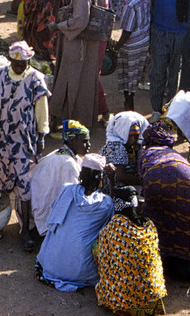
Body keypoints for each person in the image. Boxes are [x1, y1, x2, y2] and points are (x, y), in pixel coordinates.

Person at [0, 41, 51, 250]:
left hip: (23, 140)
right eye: (15, 63)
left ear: (29, 61)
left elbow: (41, 113)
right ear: (10, 60)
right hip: (0, 137)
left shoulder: (36, 80)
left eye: (23, 63)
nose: (19, 66)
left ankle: (25, 230)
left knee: (24, 184)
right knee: (2, 181)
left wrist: (41, 138)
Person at [35, 154, 114, 291]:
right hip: (80, 272)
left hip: (51, 266)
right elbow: (109, 222)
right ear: (100, 178)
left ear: (81, 173)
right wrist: (112, 181)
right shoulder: (105, 203)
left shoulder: (66, 190)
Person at [138, 120, 190, 280]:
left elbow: (141, 178)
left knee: (158, 219)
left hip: (155, 178)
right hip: (184, 175)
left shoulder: (146, 153)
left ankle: (159, 262)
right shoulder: (175, 154)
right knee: (188, 220)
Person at [51, 0, 109, 125]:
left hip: (80, 43)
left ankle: (73, 120)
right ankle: (85, 118)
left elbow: (80, 20)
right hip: (91, 42)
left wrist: (58, 26)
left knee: (74, 79)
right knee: (87, 80)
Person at [94, 185, 167, 315]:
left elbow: (104, 253)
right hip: (152, 295)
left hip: (126, 300)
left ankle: (114, 295)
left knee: (96, 247)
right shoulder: (149, 224)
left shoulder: (116, 224)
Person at [148, 0, 190, 114]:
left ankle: (171, 110)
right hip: (160, 31)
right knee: (157, 72)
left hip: (181, 34)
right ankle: (156, 109)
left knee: (175, 74)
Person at [30, 120, 91, 236]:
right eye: (85, 142)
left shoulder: (61, 153)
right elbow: (75, 197)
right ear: (72, 141)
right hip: (41, 210)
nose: (89, 145)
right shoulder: (68, 163)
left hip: (34, 206)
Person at [112, 0, 152, 112]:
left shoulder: (130, 2)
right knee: (136, 73)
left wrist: (117, 47)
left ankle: (129, 103)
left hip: (131, 45)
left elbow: (127, 30)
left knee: (127, 75)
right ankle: (130, 100)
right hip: (144, 41)